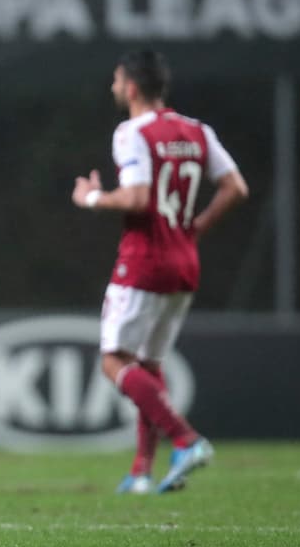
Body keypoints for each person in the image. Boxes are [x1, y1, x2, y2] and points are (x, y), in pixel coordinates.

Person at [72, 50, 248, 494]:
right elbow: (236, 188)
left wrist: (92, 198)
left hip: (145, 260)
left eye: (116, 80)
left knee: (114, 362)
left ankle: (185, 439)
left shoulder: (133, 132)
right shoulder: (196, 131)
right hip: (185, 260)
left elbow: (136, 199)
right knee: (148, 364)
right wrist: (197, 229)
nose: (113, 88)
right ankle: (141, 472)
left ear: (130, 86)